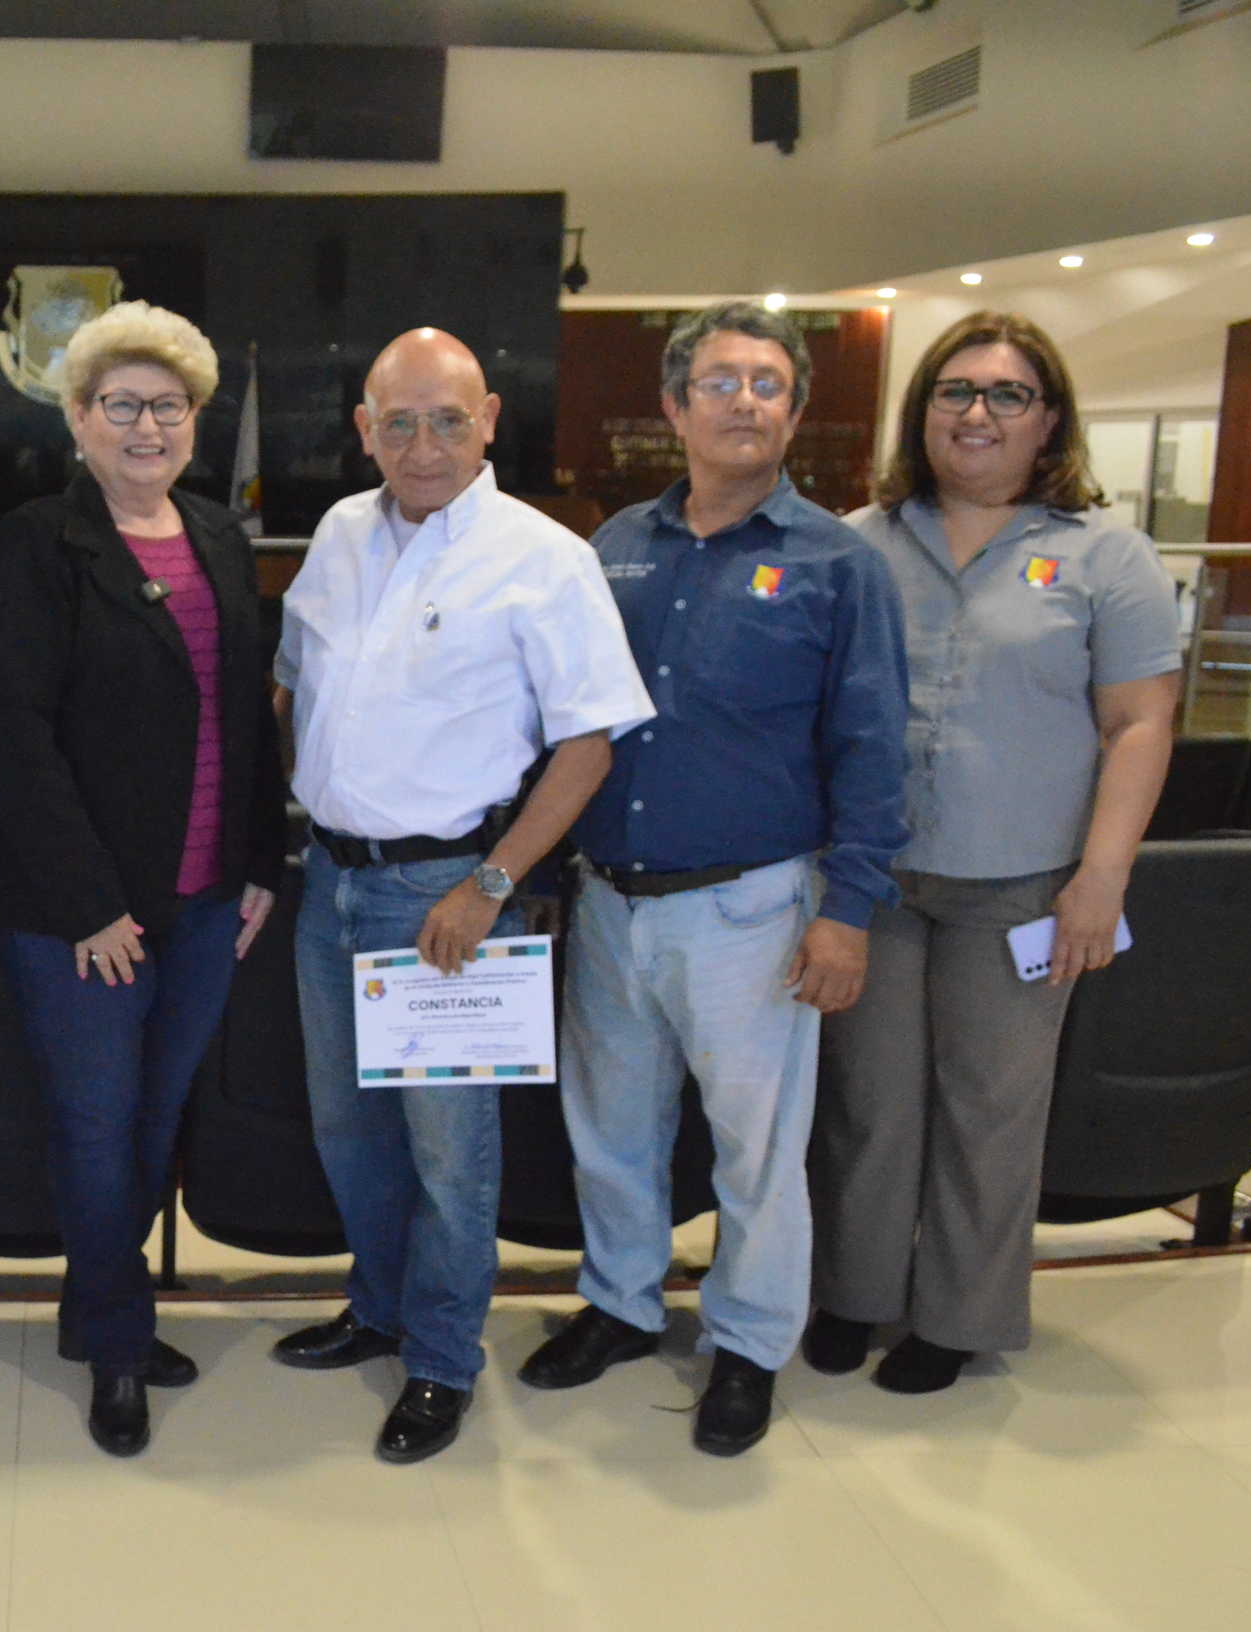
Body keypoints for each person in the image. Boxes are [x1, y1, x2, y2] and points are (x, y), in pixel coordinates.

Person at [521, 300, 909, 1456]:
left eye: (768, 384)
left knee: (755, 1149)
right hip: (607, 902)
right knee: (610, 1130)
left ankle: (745, 1346)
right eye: (721, 383)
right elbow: (565, 722)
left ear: (794, 409)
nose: (744, 402)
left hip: (752, 908)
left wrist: (848, 912)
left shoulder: (839, 563)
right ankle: (622, 1306)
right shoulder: (613, 548)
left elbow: (872, 749)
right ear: (674, 408)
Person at [272, 327, 654, 1464]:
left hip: (447, 897)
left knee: (450, 1153)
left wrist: (492, 884)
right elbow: (289, 683)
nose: (423, 443)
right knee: (348, 1131)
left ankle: (440, 1360)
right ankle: (377, 1308)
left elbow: (589, 745)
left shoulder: (542, 555)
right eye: (399, 421)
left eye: (447, 419)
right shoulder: (342, 533)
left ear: (489, 417)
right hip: (329, 880)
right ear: (364, 429)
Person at [808, 312, 1179, 1393]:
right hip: (873, 883)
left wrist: (1098, 882)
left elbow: (1139, 726)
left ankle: (958, 1317)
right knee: (866, 1105)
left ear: (1047, 418)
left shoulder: (1105, 555)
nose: (975, 414)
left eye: (1004, 395)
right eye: (952, 391)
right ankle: (854, 1294)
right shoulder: (858, 541)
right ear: (920, 412)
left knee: (989, 1110)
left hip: (1022, 886)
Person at [0, 302, 286, 1457]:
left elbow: (245, 720)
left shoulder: (216, 537)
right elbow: (8, 734)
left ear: (196, 421)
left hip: (204, 901)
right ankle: (114, 1345)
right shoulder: (38, 544)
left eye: (169, 406)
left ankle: (95, 1305)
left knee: (154, 1122)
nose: (146, 427)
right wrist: (91, 902)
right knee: (96, 1131)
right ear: (81, 419)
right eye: (121, 405)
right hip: (79, 915)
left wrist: (253, 862)